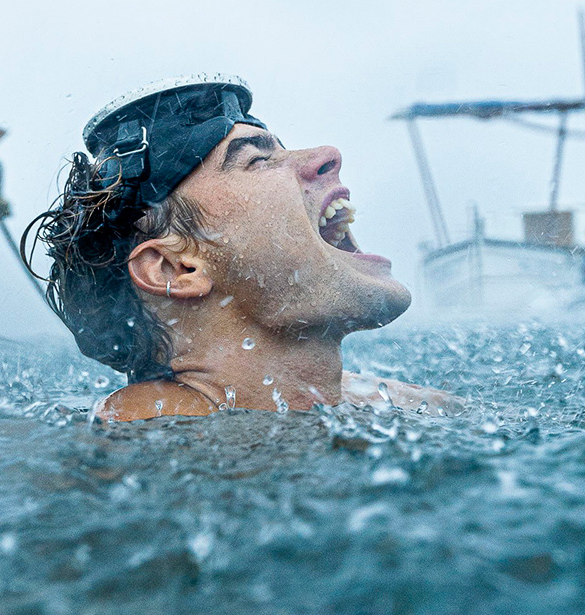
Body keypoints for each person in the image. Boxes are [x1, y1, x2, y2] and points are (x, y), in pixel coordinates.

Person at [23, 74, 458, 421]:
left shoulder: (375, 400)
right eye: (257, 161)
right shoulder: (141, 428)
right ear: (174, 269)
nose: (328, 154)